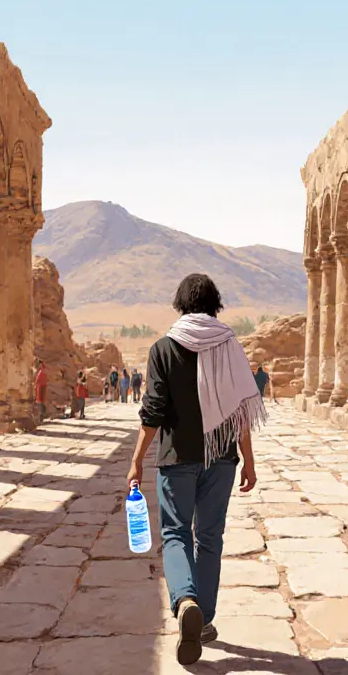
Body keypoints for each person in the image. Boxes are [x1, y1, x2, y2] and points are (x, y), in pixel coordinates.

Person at [129, 273, 265, 666]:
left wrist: (137, 459)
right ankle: (203, 619)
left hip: (176, 459)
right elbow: (241, 409)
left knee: (175, 533)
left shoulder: (163, 348)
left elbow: (153, 411)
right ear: (214, 303)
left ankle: (185, 599)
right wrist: (249, 461)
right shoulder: (230, 346)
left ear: (180, 304)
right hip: (221, 460)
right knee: (209, 537)